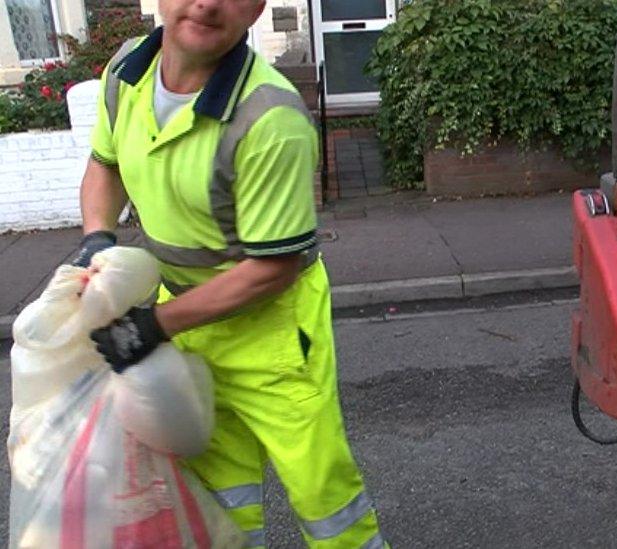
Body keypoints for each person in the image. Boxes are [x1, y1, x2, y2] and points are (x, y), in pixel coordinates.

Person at [74, 0, 385, 545]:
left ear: (258, 7)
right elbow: (105, 164)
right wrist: (96, 239)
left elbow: (272, 270)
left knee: (323, 495)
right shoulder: (126, 73)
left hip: (273, 333)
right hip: (188, 323)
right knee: (215, 497)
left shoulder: (270, 118)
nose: (208, 2)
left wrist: (154, 327)